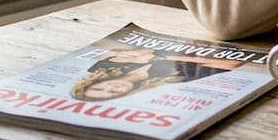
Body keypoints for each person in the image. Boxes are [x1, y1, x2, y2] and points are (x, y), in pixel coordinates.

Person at [70, 53, 244, 101]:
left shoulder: (104, 66)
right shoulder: (172, 80)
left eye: (99, 88)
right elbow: (231, 64)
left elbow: (125, 49)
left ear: (92, 82)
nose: (111, 88)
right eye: (112, 93)